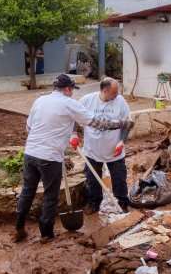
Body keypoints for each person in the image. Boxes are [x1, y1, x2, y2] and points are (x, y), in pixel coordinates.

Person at [14, 74, 133, 243]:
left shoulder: (40, 101)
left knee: (27, 191)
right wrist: (120, 124)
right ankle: (46, 234)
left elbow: (29, 127)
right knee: (50, 195)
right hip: (50, 157)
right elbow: (95, 122)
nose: (72, 94)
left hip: (30, 153)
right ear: (67, 89)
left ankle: (19, 228)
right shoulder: (69, 103)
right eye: (72, 90)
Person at [76, 77, 132, 214]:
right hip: (92, 150)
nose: (117, 94)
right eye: (114, 92)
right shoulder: (86, 100)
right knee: (93, 179)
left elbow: (127, 123)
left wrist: (122, 141)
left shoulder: (120, 101)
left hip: (115, 150)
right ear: (105, 90)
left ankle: (123, 203)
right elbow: (74, 117)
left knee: (119, 178)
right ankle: (94, 204)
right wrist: (73, 134)